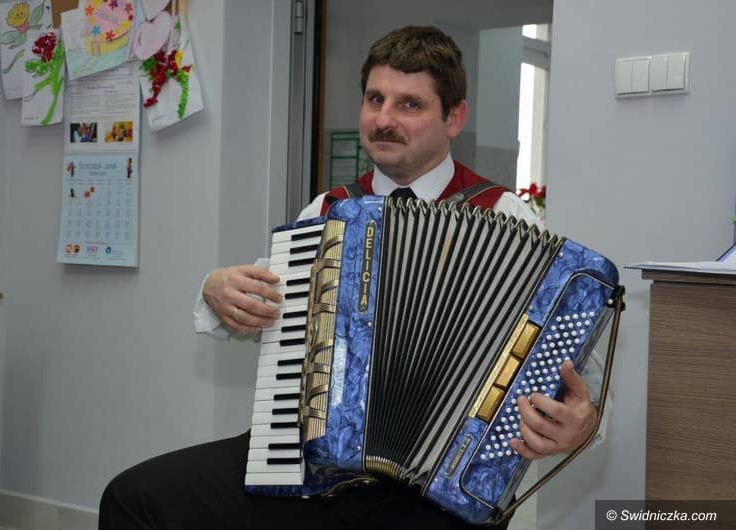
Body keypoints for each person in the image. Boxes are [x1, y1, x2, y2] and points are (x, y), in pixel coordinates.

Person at [99, 26, 607, 530]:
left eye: (410, 104)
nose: (384, 119)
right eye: (374, 99)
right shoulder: (328, 210)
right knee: (132, 497)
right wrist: (215, 293)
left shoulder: (504, 216)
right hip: (310, 464)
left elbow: (575, 373)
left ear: (454, 118)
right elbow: (262, 313)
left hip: (439, 487)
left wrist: (580, 423)